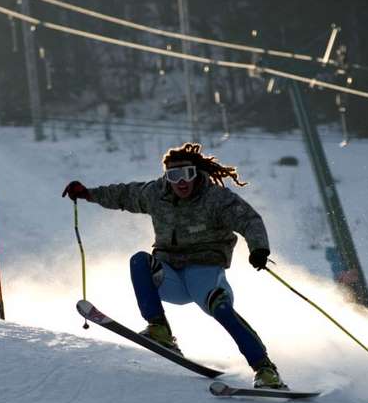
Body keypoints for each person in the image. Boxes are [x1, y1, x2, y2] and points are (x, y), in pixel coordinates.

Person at [63, 143, 285, 389]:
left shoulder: (215, 198)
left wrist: (259, 249)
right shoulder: (156, 194)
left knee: (222, 310)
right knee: (139, 260)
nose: (181, 182)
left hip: (204, 273)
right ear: (166, 177)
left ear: (196, 174)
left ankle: (265, 369)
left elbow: (248, 219)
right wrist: (87, 194)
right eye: (173, 175)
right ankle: (159, 328)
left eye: (187, 174)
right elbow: (124, 195)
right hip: (170, 275)